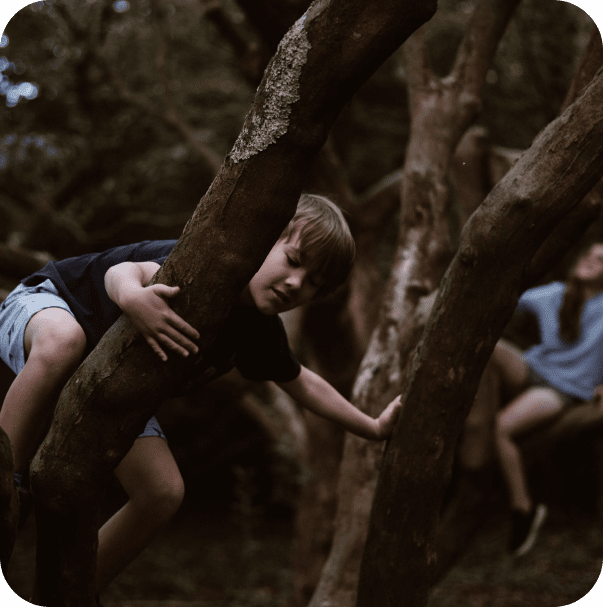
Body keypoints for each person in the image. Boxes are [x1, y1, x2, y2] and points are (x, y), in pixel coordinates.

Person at [0, 193, 402, 592]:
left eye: (315, 282)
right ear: (262, 240)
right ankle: (4, 483)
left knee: (162, 492)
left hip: (106, 387)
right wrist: (133, 298)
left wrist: (372, 426)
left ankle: (72, 592)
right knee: (63, 342)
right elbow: (122, 271)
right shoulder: (204, 265)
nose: (297, 282)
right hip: (46, 305)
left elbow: (301, 381)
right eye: (294, 260)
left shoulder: (258, 331)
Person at [490, 242, 603, 557]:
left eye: (601, 260)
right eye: (589, 255)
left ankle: (523, 509)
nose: (591, 261)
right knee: (489, 346)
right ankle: (467, 422)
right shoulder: (555, 293)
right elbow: (508, 298)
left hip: (562, 389)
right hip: (530, 369)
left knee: (502, 428)